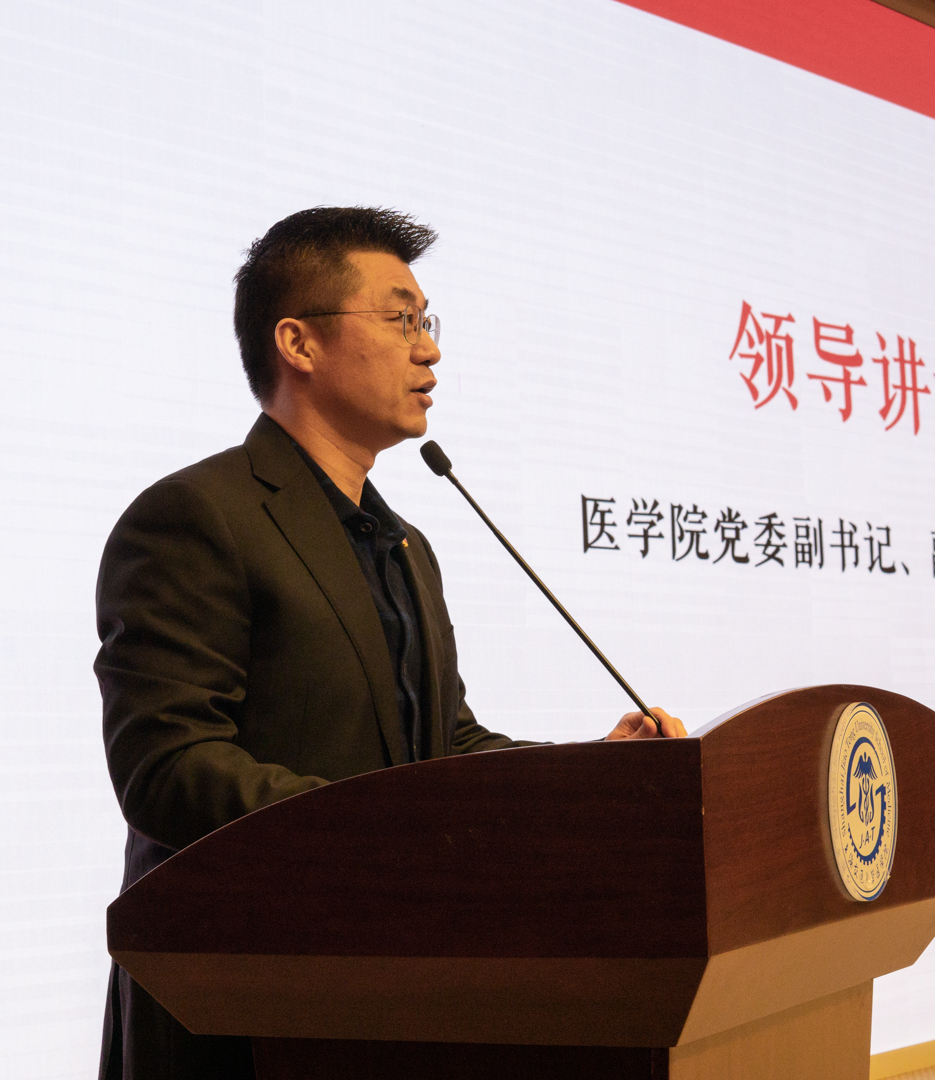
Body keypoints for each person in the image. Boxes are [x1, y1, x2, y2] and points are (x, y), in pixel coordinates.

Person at [94, 207, 684, 1080]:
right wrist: (387, 837)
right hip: (242, 1013)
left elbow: (444, 746)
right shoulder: (197, 516)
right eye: (401, 319)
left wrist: (589, 778)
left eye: (427, 321)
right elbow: (167, 769)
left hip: (397, 999)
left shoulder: (405, 544)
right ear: (297, 342)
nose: (430, 350)